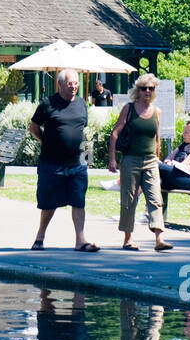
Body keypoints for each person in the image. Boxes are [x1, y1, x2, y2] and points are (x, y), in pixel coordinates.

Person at [28, 69, 97, 252]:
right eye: (69, 83)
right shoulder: (47, 104)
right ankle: (40, 237)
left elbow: (82, 132)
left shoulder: (82, 104)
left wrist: (87, 159)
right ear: (60, 84)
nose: (73, 86)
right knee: (49, 203)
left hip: (77, 164)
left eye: (75, 83)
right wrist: (45, 141)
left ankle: (80, 241)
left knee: (78, 201)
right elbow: (34, 128)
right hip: (52, 163)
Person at [108, 73, 173, 252]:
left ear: (154, 91)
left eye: (150, 88)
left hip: (151, 161)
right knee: (129, 199)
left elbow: (157, 138)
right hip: (130, 160)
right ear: (138, 90)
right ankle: (128, 238)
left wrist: (158, 159)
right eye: (143, 88)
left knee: (155, 198)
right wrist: (113, 159)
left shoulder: (157, 112)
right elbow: (115, 134)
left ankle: (159, 238)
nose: (147, 91)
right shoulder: (129, 109)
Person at [158, 121, 190, 191]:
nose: (183, 135)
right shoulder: (184, 145)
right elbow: (168, 158)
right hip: (174, 173)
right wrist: (168, 162)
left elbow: (184, 165)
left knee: (155, 165)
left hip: (186, 177)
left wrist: (171, 164)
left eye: (186, 132)